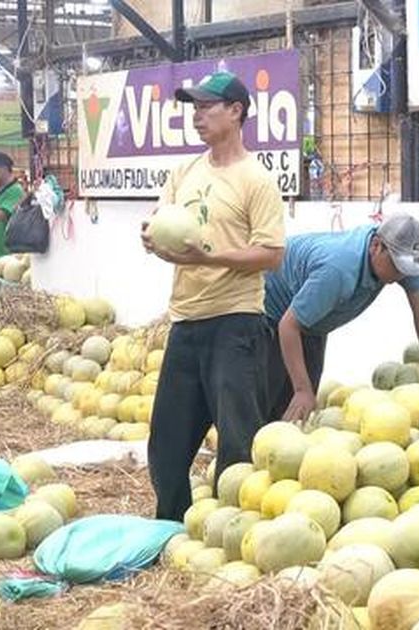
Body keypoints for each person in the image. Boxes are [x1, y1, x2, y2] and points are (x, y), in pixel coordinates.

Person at [141, 71, 285, 522]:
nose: (197, 116)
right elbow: (163, 226)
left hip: (235, 321)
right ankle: (171, 529)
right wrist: (153, 240)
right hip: (186, 320)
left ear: (236, 112)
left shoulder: (255, 179)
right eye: (194, 108)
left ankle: (231, 532)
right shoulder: (184, 172)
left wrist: (208, 258)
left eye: (207, 107)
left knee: (238, 442)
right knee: (166, 443)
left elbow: (272, 254)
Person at [262, 214, 419, 422]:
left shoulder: (398, 255)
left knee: (301, 409)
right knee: (275, 402)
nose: (401, 274)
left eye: (406, 268)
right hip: (270, 313)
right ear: (376, 246)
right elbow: (288, 325)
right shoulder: (338, 269)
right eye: (396, 266)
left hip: (311, 321)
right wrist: (301, 389)